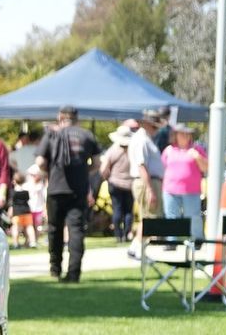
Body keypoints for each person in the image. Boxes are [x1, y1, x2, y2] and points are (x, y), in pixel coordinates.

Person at [37, 103, 98, 283]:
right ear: (76, 118)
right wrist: (84, 172)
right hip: (78, 190)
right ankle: (74, 273)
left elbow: (40, 162)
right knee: (76, 230)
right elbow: (97, 163)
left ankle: (55, 269)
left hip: (56, 188)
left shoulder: (51, 134)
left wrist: (50, 172)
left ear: (60, 117)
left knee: (54, 230)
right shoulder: (87, 135)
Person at [126, 113, 164, 257]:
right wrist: (150, 189)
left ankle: (137, 248)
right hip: (147, 182)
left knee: (148, 217)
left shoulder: (146, 139)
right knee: (149, 218)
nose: (156, 129)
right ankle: (137, 250)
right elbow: (142, 166)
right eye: (154, 126)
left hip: (149, 181)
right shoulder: (141, 140)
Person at [161, 123, 207, 239]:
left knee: (193, 217)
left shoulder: (196, 149)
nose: (185, 136)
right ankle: (171, 241)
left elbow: (205, 168)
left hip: (191, 190)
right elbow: (162, 168)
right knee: (171, 217)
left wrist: (197, 157)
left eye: (187, 134)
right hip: (170, 190)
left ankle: (197, 240)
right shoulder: (169, 150)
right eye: (182, 134)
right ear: (176, 135)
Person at [100, 127, 135, 242]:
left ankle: (118, 235)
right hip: (130, 184)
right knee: (128, 211)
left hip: (114, 183)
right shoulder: (133, 150)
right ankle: (126, 234)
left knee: (117, 209)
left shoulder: (113, 150)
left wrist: (106, 178)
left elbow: (103, 168)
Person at [9, 163, 42, 249]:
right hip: (27, 212)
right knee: (29, 227)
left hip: (17, 213)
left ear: (14, 181)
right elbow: (28, 199)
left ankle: (16, 243)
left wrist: (10, 211)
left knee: (16, 227)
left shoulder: (13, 192)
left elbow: (12, 203)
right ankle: (32, 242)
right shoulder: (26, 192)